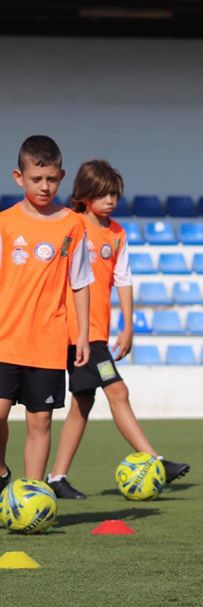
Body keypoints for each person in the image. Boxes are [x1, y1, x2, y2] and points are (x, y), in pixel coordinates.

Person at [47, 159, 189, 500]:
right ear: (84, 195)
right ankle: (155, 461)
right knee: (118, 391)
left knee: (83, 401)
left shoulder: (117, 233)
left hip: (97, 331)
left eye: (114, 194)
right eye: (102, 194)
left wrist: (128, 326)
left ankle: (57, 477)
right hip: (77, 332)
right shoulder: (71, 225)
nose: (110, 200)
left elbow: (123, 279)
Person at [0, 135, 93, 491]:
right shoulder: (5, 223)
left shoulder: (72, 224)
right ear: (18, 177)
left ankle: (32, 495)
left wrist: (81, 334)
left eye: (52, 179)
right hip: (5, 338)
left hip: (48, 342)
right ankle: (2, 474)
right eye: (36, 179)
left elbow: (80, 282)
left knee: (39, 421)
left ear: (62, 176)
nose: (44, 186)